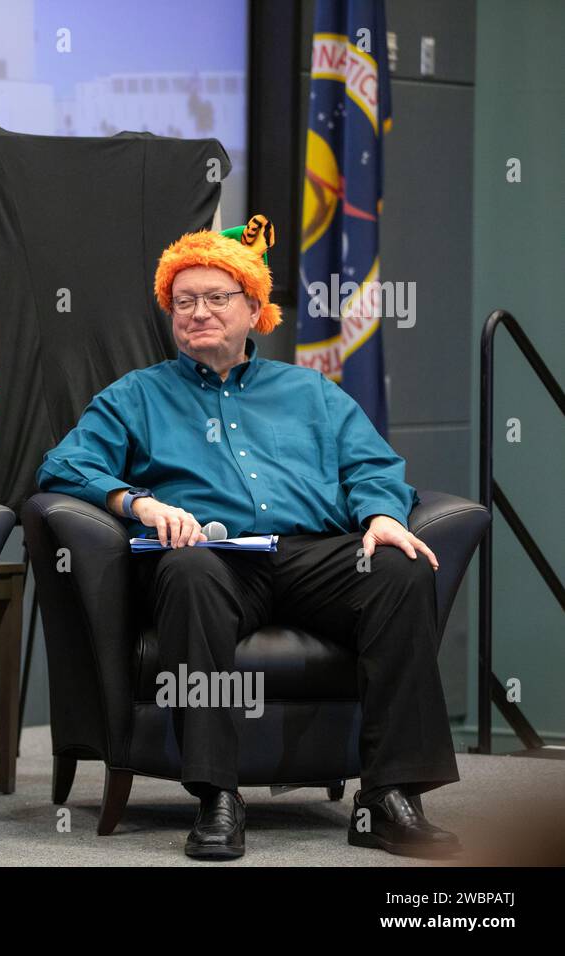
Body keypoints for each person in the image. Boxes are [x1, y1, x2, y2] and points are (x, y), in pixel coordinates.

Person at [36, 218, 461, 861]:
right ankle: (217, 796)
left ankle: (390, 796)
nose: (198, 312)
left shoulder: (310, 391)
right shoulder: (138, 395)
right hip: (215, 556)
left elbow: (372, 467)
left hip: (312, 552)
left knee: (399, 570)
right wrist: (139, 502)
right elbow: (63, 466)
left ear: (254, 309)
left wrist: (380, 514)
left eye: (215, 298)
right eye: (184, 302)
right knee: (187, 572)